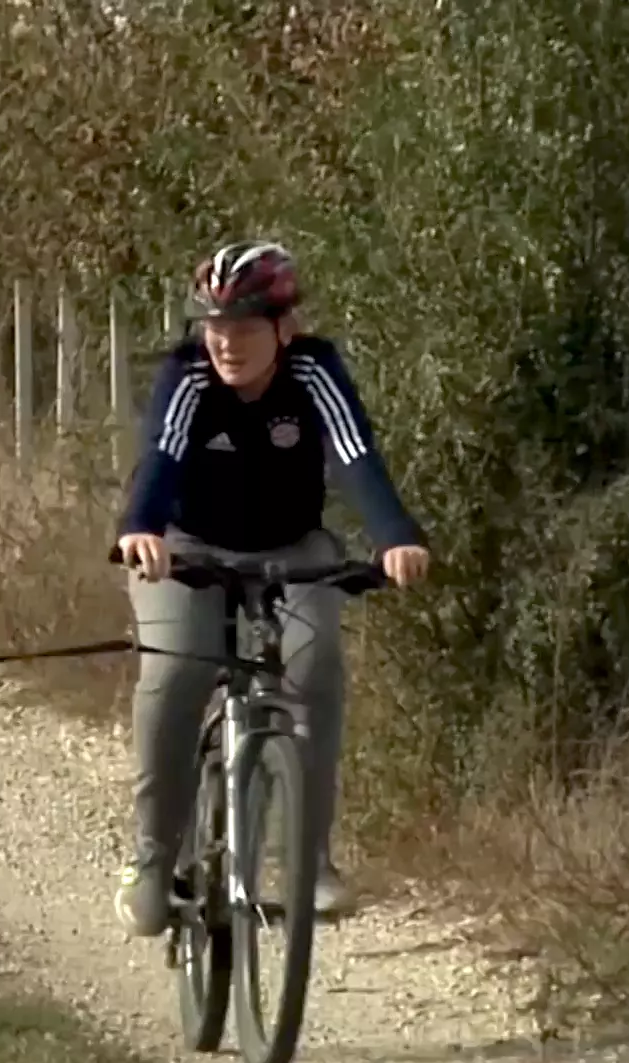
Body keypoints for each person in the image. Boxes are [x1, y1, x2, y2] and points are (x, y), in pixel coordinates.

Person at [111, 241, 432, 938]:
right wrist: (141, 529)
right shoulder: (188, 375)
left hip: (293, 547)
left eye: (246, 326)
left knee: (315, 668)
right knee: (177, 671)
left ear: (285, 328)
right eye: (215, 325)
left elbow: (356, 455)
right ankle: (153, 859)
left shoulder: (314, 371)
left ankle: (310, 861)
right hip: (185, 548)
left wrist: (394, 536)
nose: (226, 342)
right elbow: (161, 454)